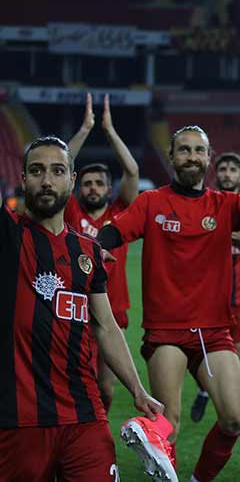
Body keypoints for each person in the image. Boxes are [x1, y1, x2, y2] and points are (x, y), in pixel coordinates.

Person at [98, 126, 240, 482]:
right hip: (167, 332)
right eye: (184, 150)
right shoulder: (152, 203)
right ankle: (156, 447)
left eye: (199, 150)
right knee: (170, 423)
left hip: (214, 332)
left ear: (208, 159)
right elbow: (116, 230)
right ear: (172, 157)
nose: (192, 156)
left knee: (234, 418)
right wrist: (96, 246)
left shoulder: (224, 205)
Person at [0, 136, 162, 480]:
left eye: (57, 171)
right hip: (19, 419)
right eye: (37, 171)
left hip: (84, 415)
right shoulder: (8, 235)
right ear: (23, 178)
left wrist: (137, 390)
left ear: (71, 180)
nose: (46, 180)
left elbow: (105, 326)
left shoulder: (87, 252)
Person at [66, 93, 139, 413]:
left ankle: (95, 437)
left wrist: (109, 131)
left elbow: (133, 172)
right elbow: (63, 162)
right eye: (87, 183)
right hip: (74, 309)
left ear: (109, 190)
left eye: (99, 183)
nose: (92, 188)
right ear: (77, 187)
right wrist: (85, 129)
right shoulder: (68, 214)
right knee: (70, 383)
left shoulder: (120, 214)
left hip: (113, 310)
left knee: (106, 388)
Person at [191, 152, 240, 433]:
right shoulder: (205, 206)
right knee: (201, 352)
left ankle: (236, 409)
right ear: (215, 173)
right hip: (208, 295)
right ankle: (204, 390)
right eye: (222, 168)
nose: (227, 173)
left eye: (233, 169)